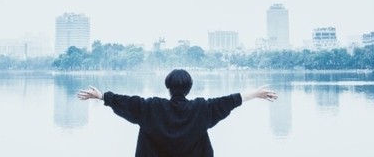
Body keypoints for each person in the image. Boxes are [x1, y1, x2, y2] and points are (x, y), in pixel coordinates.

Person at [77, 69, 278, 157]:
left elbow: (126, 102)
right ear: (189, 88)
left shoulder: (151, 108)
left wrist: (101, 96)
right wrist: (256, 93)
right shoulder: (202, 109)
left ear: (168, 87)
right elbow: (231, 100)